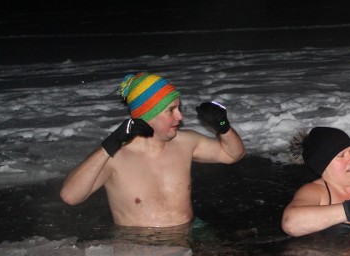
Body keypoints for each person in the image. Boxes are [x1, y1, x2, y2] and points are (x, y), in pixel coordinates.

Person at [60, 71, 246, 228]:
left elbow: (233, 154)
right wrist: (109, 146)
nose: (180, 116)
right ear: (149, 115)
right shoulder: (116, 156)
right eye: (171, 110)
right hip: (142, 248)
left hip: (189, 233)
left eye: (178, 108)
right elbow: (70, 196)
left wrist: (223, 126)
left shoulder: (185, 142)